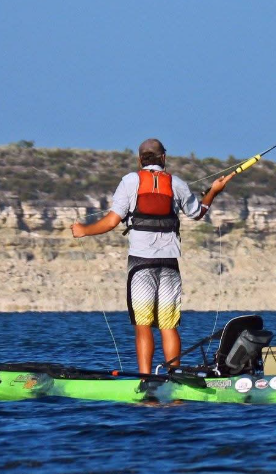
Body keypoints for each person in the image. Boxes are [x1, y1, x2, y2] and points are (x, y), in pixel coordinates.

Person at [71, 139, 233, 373]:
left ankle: (146, 378)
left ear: (140, 160)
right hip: (169, 263)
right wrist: (214, 192)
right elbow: (199, 213)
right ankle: (174, 376)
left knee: (143, 325)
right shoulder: (176, 183)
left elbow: (111, 221)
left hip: (140, 263)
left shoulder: (130, 181)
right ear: (163, 159)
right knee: (168, 326)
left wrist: (83, 230)